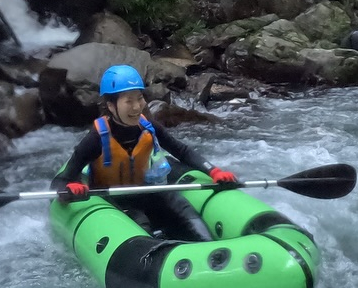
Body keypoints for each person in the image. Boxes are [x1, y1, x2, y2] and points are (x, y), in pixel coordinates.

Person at [51, 65, 238, 242]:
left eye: (139, 98)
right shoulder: (97, 137)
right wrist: (70, 188)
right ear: (111, 106)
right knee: (141, 223)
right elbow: (61, 180)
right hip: (115, 200)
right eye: (128, 101)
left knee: (181, 210)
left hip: (145, 191)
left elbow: (181, 151)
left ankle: (206, 245)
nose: (136, 107)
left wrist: (213, 171)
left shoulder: (148, 126)